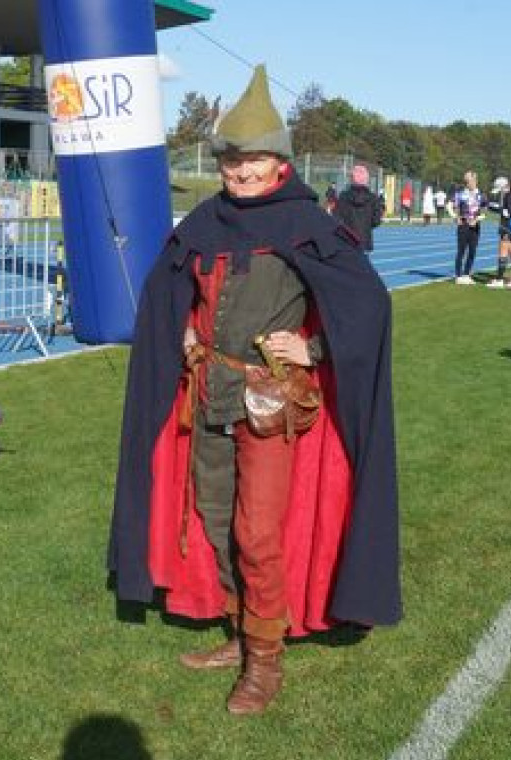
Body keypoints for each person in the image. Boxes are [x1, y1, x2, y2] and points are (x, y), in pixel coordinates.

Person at [109, 65, 401, 716]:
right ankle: (241, 631)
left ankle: (264, 661)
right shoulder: (205, 220)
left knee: (258, 531)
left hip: (271, 404)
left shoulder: (308, 223)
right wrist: (181, 330)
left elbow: (367, 306)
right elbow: (168, 291)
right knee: (215, 520)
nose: (239, 172)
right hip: (208, 395)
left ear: (279, 163)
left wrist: (313, 348)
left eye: (253, 160)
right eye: (230, 160)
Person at [333, 163, 383, 254]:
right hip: (365, 240)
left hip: (347, 239)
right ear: (366, 179)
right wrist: (366, 227)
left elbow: (336, 218)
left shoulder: (343, 196)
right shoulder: (373, 198)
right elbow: (376, 221)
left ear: (352, 179)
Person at [485, 176, 511, 288]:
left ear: (503, 186)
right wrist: (496, 208)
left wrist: (495, 208)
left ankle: (499, 280)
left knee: (503, 253)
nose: (500, 192)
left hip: (509, 227)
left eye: (500, 189)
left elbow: (510, 212)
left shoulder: (510, 195)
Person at [453, 171, 485, 284]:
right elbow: (452, 206)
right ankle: (458, 275)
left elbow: (484, 212)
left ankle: (466, 274)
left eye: (472, 181)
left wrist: (477, 219)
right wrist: (456, 217)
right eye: (467, 181)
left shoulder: (480, 195)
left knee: (472, 251)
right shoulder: (460, 194)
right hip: (463, 225)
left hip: (475, 226)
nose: (470, 183)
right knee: (461, 251)